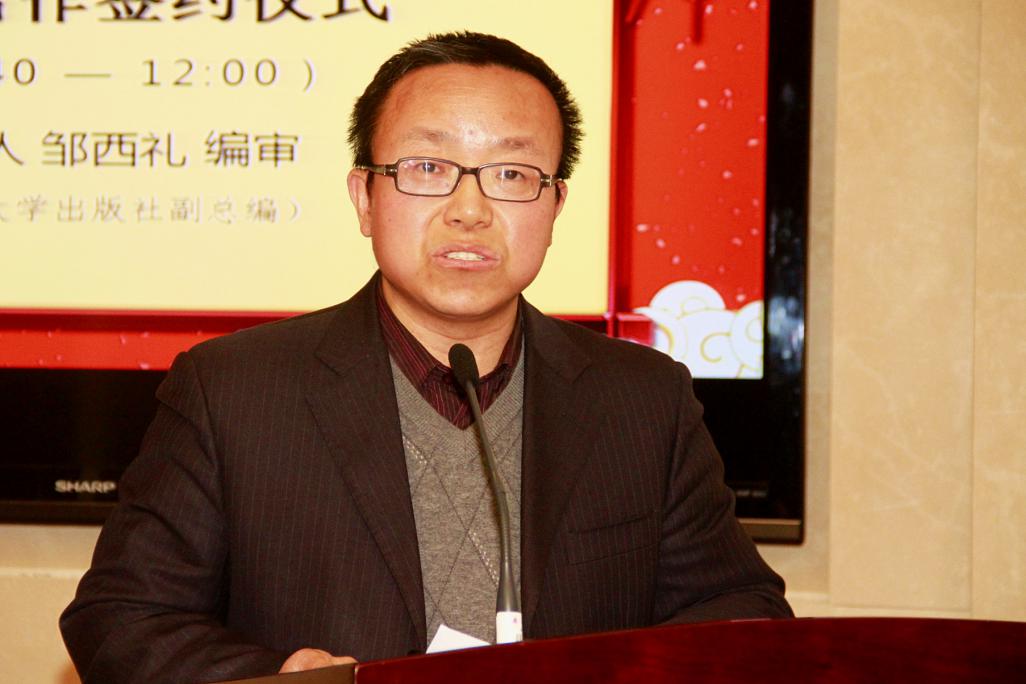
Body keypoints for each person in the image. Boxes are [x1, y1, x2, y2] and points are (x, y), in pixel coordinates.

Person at [60, 31, 792, 684]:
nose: (469, 210)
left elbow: (740, 612)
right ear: (364, 198)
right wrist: (281, 679)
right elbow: (122, 621)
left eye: (512, 174)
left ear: (555, 207)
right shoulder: (233, 390)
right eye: (428, 166)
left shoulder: (642, 398)